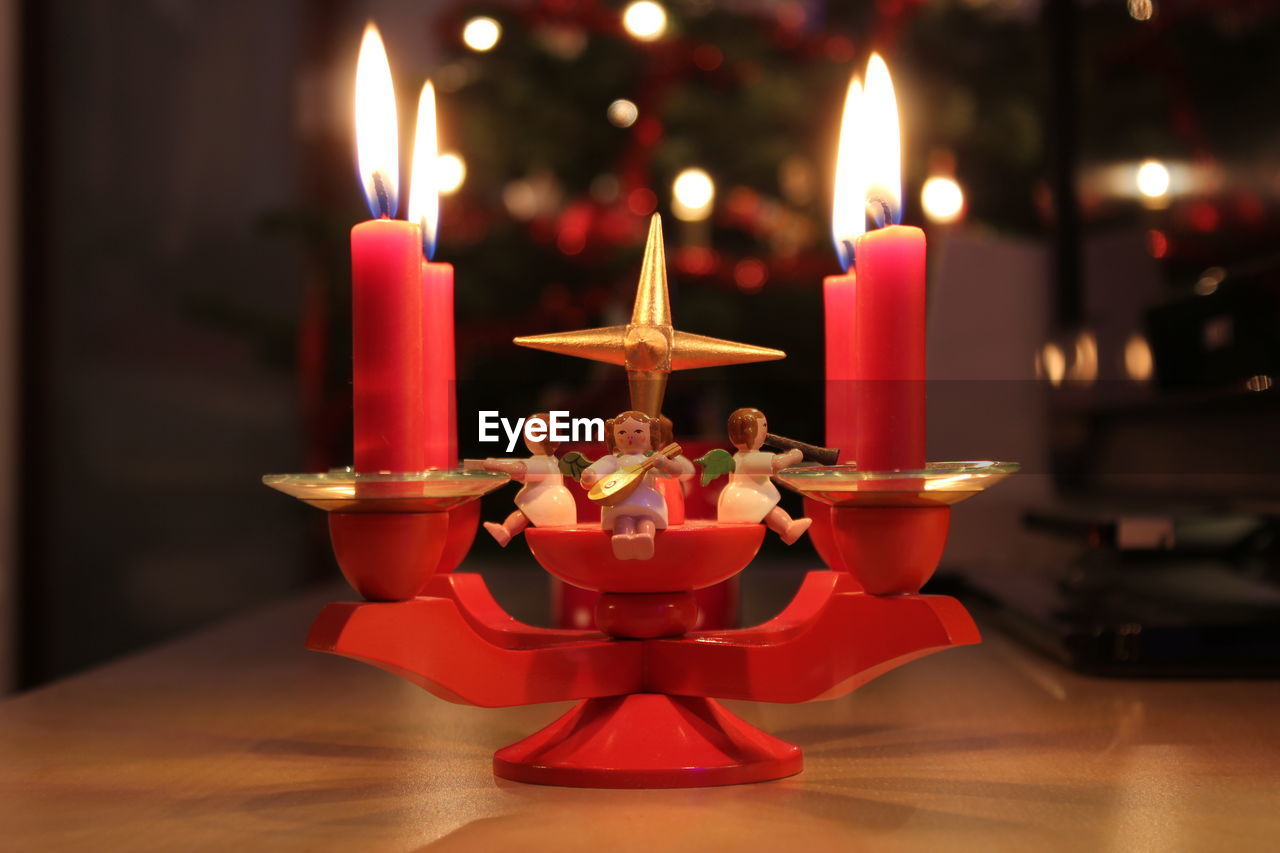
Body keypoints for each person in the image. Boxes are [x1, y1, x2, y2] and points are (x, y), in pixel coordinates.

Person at [580, 410, 682, 560]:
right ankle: (622, 540)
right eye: (621, 432)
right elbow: (598, 470)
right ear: (613, 437)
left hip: (648, 501)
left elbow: (676, 472)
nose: (629, 436)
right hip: (618, 501)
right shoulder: (613, 460)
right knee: (622, 519)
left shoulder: (651, 460)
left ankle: (645, 538)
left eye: (638, 431)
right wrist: (590, 476)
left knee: (646, 520)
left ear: (650, 435)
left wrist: (665, 463)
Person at [479, 412, 577, 547]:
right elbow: (526, 477)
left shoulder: (542, 462)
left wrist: (495, 465)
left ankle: (506, 531)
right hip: (559, 502)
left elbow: (519, 470)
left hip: (548, 503)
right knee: (525, 516)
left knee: (524, 514)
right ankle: (506, 531)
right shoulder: (553, 461)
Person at [717, 407, 811, 544]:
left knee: (768, 510)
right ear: (750, 432)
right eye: (764, 426)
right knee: (769, 510)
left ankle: (787, 528)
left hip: (737, 498)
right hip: (745, 498)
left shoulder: (738, 456)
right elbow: (777, 464)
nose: (766, 431)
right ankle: (787, 528)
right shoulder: (750, 458)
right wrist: (794, 455)